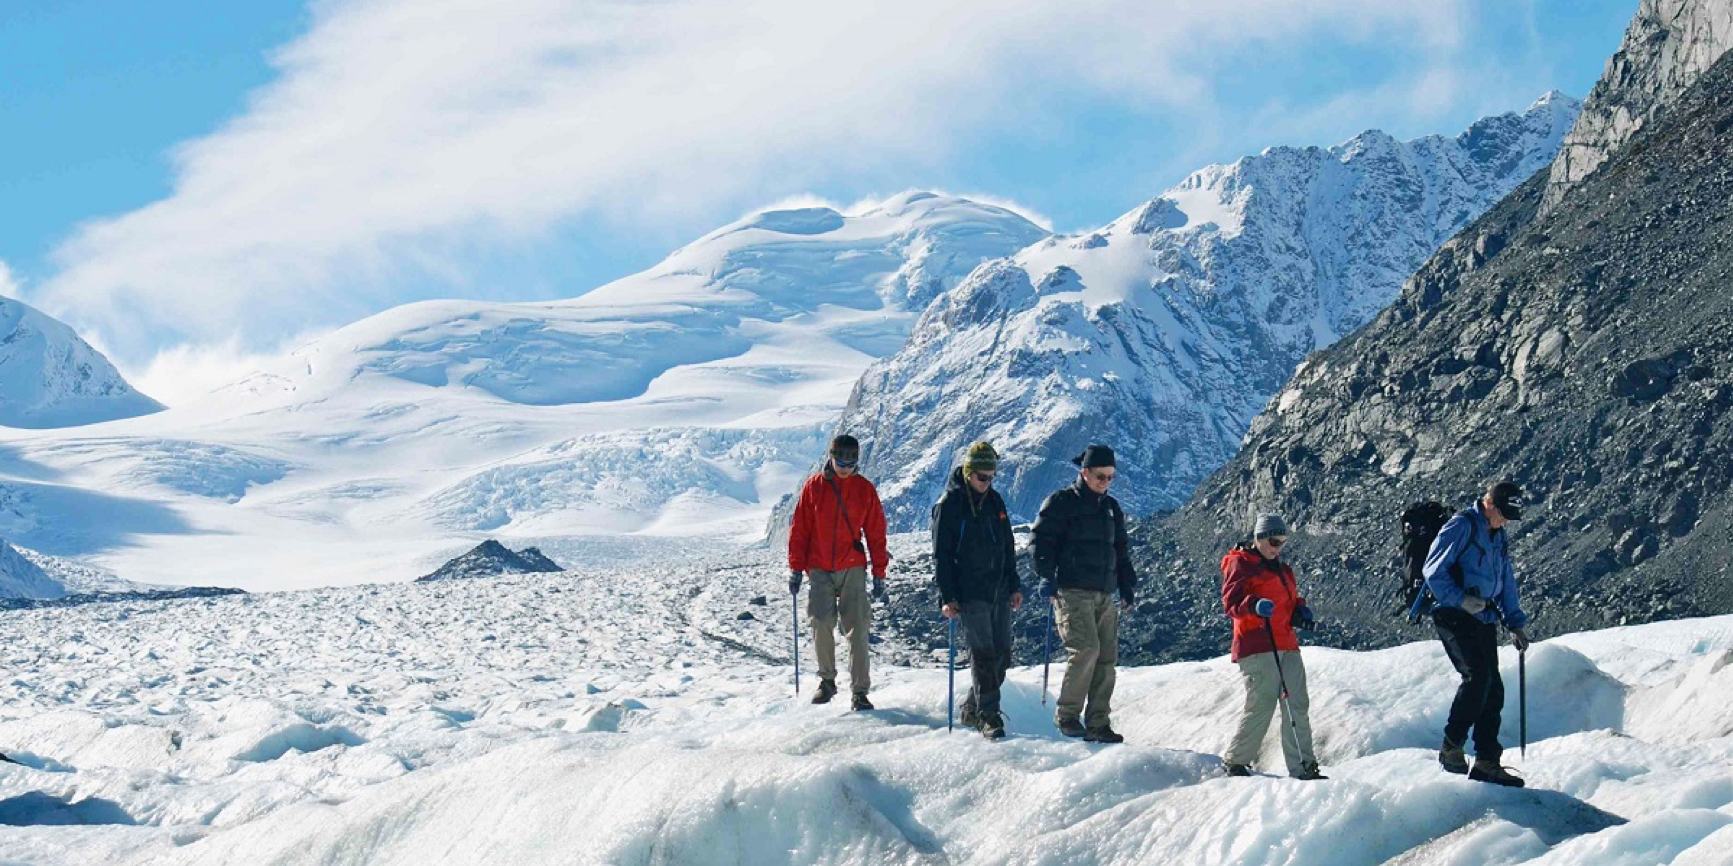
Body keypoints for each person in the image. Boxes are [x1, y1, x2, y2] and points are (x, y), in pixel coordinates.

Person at [1423, 480, 1532, 788]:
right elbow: (1433, 571)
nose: (1506, 520)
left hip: (1482, 614)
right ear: (1490, 504)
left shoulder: (1498, 535)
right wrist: (1460, 599)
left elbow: (1504, 579)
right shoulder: (1462, 527)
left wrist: (1515, 622)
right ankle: (1451, 746)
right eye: (1504, 514)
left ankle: (1487, 763)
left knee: (1493, 687)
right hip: (1453, 612)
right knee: (1478, 676)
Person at [1031, 444, 1137, 743]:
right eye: (1101, 477)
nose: (1105, 483)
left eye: (1110, 478)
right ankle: (1067, 715)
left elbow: (1121, 551)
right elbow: (1040, 541)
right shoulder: (1061, 502)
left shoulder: (1111, 509)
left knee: (1106, 658)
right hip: (1072, 590)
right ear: (1085, 473)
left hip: (1104, 592)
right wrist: (1045, 576)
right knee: (1086, 650)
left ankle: (1098, 723)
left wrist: (1127, 585)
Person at [788, 435, 891, 711]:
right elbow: (800, 529)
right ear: (832, 457)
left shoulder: (864, 489)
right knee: (820, 623)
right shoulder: (815, 487)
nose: (846, 466)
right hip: (819, 567)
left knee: (858, 630)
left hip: (852, 568)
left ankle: (859, 691)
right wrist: (796, 568)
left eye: (851, 461)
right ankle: (827, 680)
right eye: (841, 460)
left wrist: (879, 571)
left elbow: (875, 532)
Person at [1220, 513, 1326, 780]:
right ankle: (1236, 761)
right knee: (1262, 703)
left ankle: (1304, 767)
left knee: (1296, 705)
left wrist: (1300, 611)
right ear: (1259, 538)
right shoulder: (1240, 564)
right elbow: (1231, 603)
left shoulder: (1282, 568)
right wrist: (1253, 605)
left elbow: (1288, 601)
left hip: (1286, 643)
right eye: (1274, 541)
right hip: (1257, 644)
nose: (1278, 547)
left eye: (1282, 542)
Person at [932, 441, 1022, 740]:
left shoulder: (995, 502)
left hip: (998, 588)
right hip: (969, 591)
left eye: (991, 477)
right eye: (982, 477)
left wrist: (1014, 584)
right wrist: (948, 596)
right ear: (969, 472)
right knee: (982, 653)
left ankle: (972, 707)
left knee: (1003, 655)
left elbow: (1007, 545)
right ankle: (989, 716)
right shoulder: (951, 504)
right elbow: (942, 555)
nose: (987, 483)